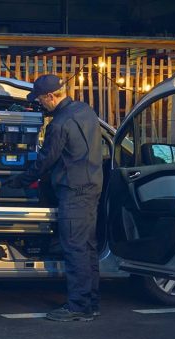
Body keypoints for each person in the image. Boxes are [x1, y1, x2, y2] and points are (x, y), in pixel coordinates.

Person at [6, 74, 103, 322]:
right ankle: (91, 302)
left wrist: (20, 181)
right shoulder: (86, 110)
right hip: (92, 187)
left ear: (50, 96)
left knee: (75, 249)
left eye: (40, 99)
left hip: (73, 191)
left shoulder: (59, 124)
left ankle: (78, 307)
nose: (40, 104)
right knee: (88, 247)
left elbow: (45, 161)